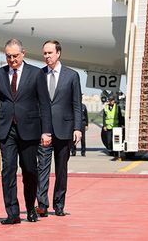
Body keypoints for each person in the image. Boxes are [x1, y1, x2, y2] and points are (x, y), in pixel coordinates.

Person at [0, 38, 52, 225]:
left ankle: (30, 208)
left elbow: (45, 104)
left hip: (30, 130)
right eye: (8, 56)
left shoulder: (36, 73)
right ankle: (12, 213)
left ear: (23, 54)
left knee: (30, 171)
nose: (12, 60)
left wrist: (46, 131)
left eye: (15, 56)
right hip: (7, 130)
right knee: (8, 170)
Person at [36, 40, 82, 218]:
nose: (47, 56)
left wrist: (77, 128)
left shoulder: (72, 75)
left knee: (61, 169)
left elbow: (77, 104)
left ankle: (59, 204)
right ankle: (42, 203)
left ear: (58, 53)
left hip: (65, 129)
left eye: (50, 53)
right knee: (42, 168)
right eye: (45, 53)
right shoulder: (38, 75)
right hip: (44, 130)